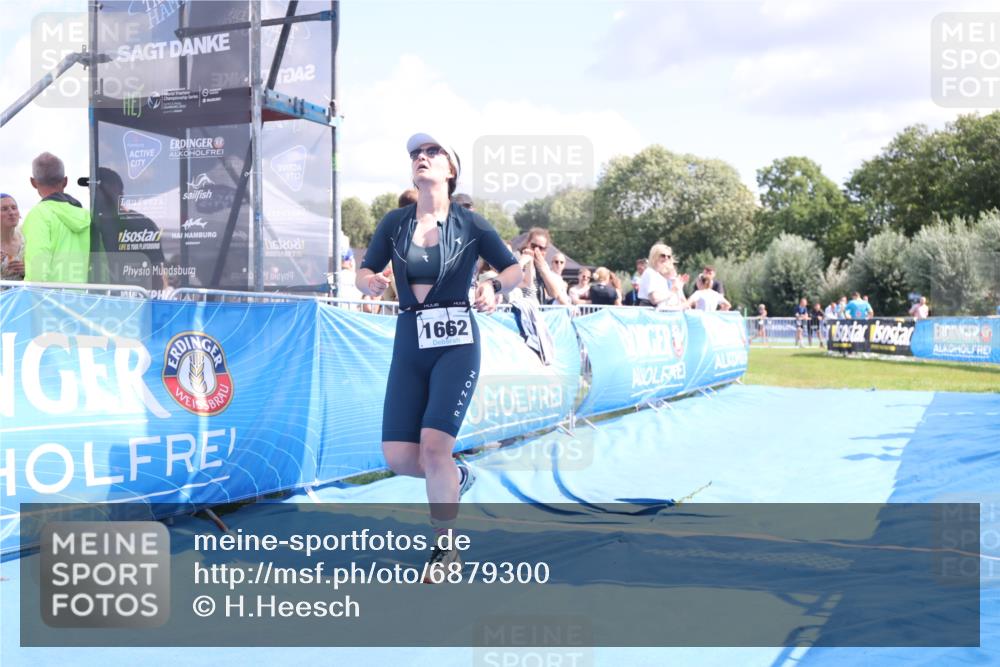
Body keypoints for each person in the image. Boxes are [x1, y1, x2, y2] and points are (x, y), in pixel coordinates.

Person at [356, 132, 521, 579]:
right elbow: (364, 270)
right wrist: (367, 281)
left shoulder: (472, 223)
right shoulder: (395, 222)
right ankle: (457, 477)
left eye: (432, 152)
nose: (421, 158)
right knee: (397, 456)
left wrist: (493, 285)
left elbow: (513, 268)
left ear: (450, 170)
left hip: (456, 342)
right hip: (410, 336)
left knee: (433, 448)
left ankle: (445, 549)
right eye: (415, 154)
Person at [22, 152, 92, 283]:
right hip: (84, 301)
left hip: (49, 301)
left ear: (33, 182)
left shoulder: (38, 215)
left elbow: (37, 273)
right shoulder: (87, 216)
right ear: (65, 181)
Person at [516, 228, 570, 305]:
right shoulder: (517, 257)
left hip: (538, 311)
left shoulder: (543, 265)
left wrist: (542, 269)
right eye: (533, 246)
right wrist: (523, 261)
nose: (536, 250)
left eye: (540, 248)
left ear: (545, 250)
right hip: (520, 309)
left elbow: (554, 293)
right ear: (528, 243)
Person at [637, 243, 686, 310]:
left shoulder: (660, 276)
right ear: (654, 256)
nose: (666, 258)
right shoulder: (650, 272)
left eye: (669, 256)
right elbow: (654, 299)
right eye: (663, 255)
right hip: (649, 312)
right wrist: (673, 290)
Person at [1, 193, 25, 280]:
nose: (11, 212)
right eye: (4, 209)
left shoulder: (27, 239)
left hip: (24, 293)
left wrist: (27, 271)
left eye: (14, 208)